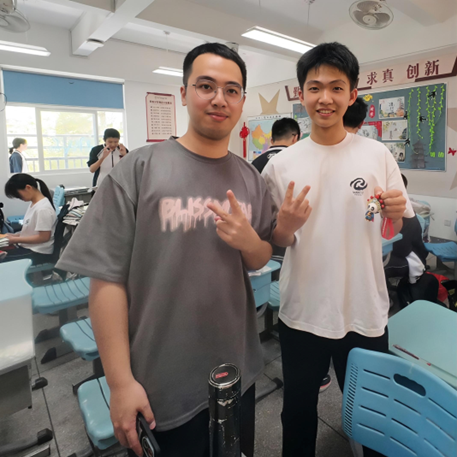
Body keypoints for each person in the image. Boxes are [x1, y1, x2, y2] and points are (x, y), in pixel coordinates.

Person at [56, 43, 274, 457]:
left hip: (237, 369)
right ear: (184, 93)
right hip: (161, 380)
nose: (219, 99)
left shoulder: (250, 178)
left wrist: (250, 242)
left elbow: (260, 257)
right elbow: (106, 282)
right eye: (206, 86)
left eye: (231, 90)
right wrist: (120, 383)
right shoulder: (139, 169)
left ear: (242, 101)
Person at [262, 42, 414, 457]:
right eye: (315, 88)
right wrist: (284, 228)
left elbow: (394, 222)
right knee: (297, 413)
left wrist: (395, 213)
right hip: (302, 312)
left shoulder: (377, 154)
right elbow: (275, 240)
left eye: (336, 87)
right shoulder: (280, 165)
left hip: (364, 310)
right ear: (301, 94)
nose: (325, 98)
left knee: (374, 416)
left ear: (352, 94)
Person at [2, 174, 57, 265]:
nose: (19, 198)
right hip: (29, 248)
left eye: (18, 195)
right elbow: (32, 231)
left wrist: (14, 240)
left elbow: (44, 237)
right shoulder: (34, 204)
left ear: (28, 187)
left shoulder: (43, 209)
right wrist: (15, 235)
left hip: (38, 252)